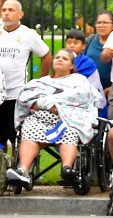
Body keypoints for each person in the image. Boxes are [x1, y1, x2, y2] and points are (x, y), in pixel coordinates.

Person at [7, 49, 98, 190]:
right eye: (57, 57)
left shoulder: (79, 80)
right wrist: (49, 105)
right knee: (30, 131)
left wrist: (50, 102)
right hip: (40, 118)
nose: (60, 60)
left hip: (67, 118)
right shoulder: (39, 82)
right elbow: (26, 98)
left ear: (72, 66)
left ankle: (67, 169)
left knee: (70, 132)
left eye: (65, 58)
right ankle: (23, 170)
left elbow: (82, 97)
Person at [0, 0, 52, 145]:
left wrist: (41, 81)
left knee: (14, 137)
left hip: (15, 94)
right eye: (4, 10)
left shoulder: (29, 34)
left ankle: (15, 165)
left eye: (11, 10)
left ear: (20, 14)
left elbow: (46, 55)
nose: (6, 13)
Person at [84, 10, 113, 93]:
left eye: (105, 23)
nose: (101, 25)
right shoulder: (91, 40)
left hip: (110, 92)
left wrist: (112, 89)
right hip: (89, 90)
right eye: (98, 23)